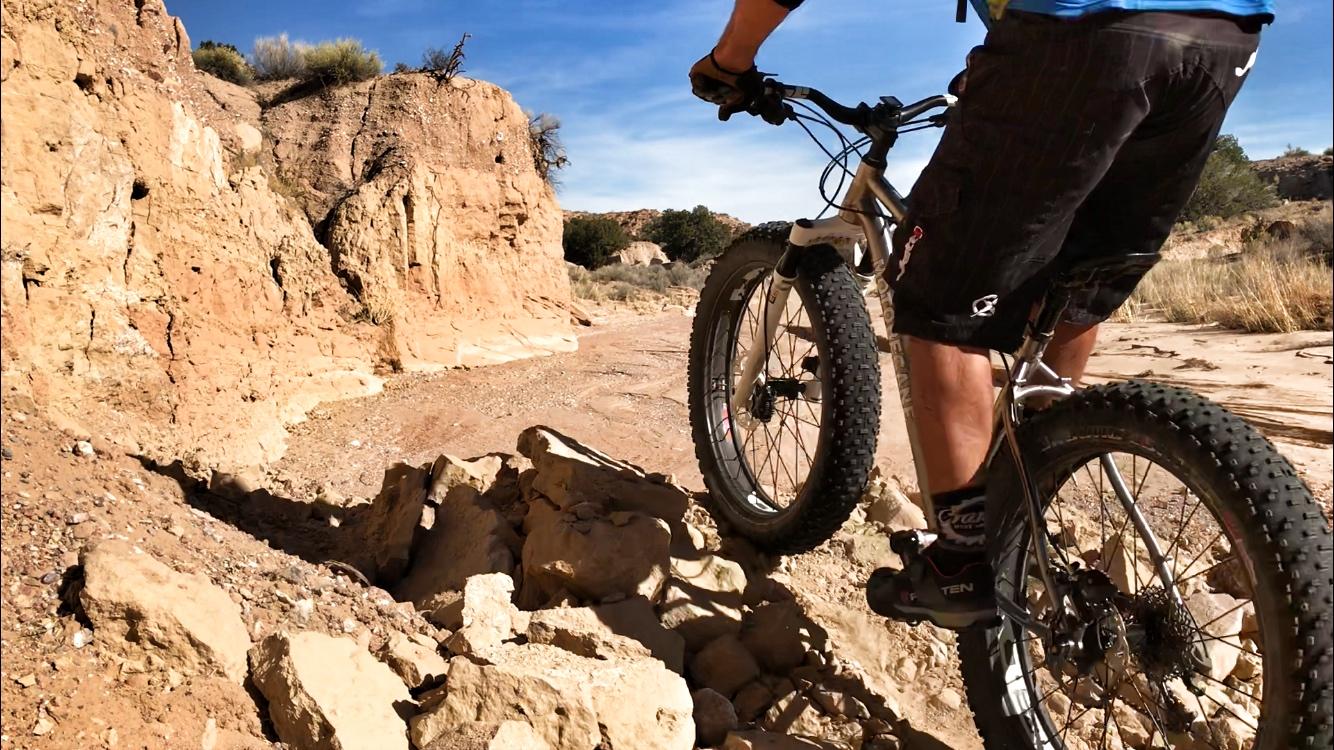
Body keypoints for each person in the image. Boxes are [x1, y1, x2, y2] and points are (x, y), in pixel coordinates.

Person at [689, 0, 1270, 630]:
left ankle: (963, 560)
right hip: (1224, 41)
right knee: (1073, 287)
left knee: (935, 302)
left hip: (1084, 24)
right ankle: (1030, 498)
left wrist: (731, 63)